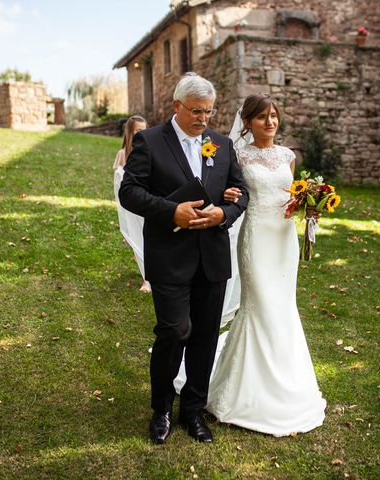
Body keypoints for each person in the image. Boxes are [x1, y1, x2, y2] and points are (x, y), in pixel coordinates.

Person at [119, 73, 248, 444]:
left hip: (211, 256)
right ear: (176, 106)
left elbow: (240, 195)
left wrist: (224, 213)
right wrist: (170, 211)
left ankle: (193, 411)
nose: (203, 119)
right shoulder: (150, 140)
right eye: (196, 111)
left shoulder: (222, 145)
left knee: (205, 337)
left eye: (209, 112)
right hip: (169, 256)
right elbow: (129, 191)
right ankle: (161, 409)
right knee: (175, 330)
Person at [205, 93, 327, 436]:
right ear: (248, 122)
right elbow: (230, 191)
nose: (269, 122)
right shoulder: (237, 154)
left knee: (283, 306)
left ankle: (287, 384)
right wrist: (227, 196)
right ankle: (242, 391)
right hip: (255, 237)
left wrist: (309, 205)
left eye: (274, 116)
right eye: (262, 117)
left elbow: (290, 196)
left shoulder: (288, 156)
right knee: (259, 305)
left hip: (282, 240)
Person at [113, 115, 150, 292]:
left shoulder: (150, 150)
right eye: (138, 131)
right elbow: (118, 182)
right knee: (136, 238)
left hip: (147, 201)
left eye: (144, 130)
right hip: (130, 205)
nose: (142, 134)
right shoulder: (123, 154)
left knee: (148, 238)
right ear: (129, 132)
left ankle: (150, 275)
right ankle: (146, 279)